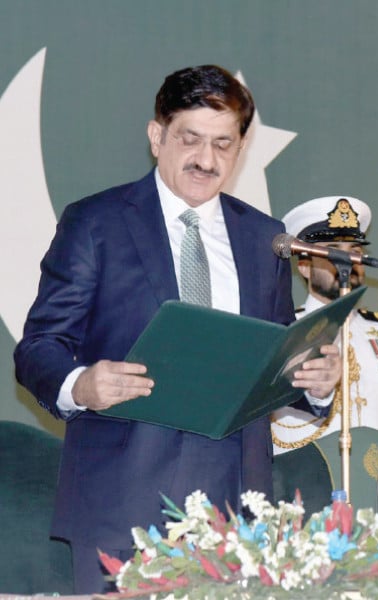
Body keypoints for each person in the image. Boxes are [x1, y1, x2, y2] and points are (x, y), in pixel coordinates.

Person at [13, 65, 341, 594]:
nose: (206, 160)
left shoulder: (267, 238)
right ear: (156, 135)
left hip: (239, 511)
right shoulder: (96, 223)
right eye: (190, 139)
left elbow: (277, 354)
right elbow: (39, 347)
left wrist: (316, 386)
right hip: (122, 505)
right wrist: (81, 385)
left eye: (224, 145)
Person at [271, 196, 378, 453]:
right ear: (304, 266)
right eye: (333, 252)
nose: (347, 261)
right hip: (309, 481)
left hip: (376, 485)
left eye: (355, 253)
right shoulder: (286, 332)